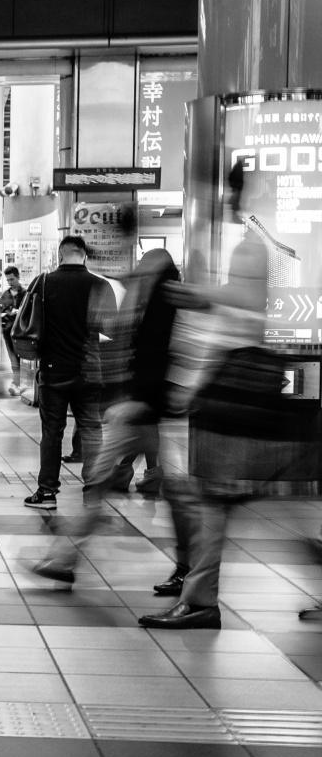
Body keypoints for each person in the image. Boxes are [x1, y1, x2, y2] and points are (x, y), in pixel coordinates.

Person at [139, 229, 274, 629]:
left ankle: (198, 599)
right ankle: (198, 597)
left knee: (211, 499)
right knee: (210, 501)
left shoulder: (256, 242)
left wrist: (206, 295)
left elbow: (250, 301)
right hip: (241, 398)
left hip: (245, 399)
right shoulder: (257, 240)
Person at [29, 248, 180, 584]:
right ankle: (66, 557)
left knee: (95, 476)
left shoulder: (158, 308)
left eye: (146, 267)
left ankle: (64, 552)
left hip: (134, 407)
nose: (140, 269)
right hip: (132, 404)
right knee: (101, 477)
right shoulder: (139, 298)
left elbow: (143, 353)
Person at [22, 235, 117, 513]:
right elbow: (111, 329)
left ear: (60, 254)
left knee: (52, 431)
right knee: (91, 430)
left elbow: (28, 323)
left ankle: (47, 492)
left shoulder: (44, 282)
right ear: (84, 255)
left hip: (53, 372)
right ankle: (93, 493)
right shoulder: (100, 285)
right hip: (89, 370)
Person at [0, 265, 26, 394]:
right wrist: (4, 310)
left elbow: (28, 310)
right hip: (8, 330)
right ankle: (16, 383)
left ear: (18, 277)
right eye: (8, 280)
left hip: (21, 331)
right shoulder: (6, 294)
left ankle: (18, 382)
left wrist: (17, 311)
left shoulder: (25, 293)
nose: (10, 282)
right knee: (13, 357)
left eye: (12, 279)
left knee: (20, 357)